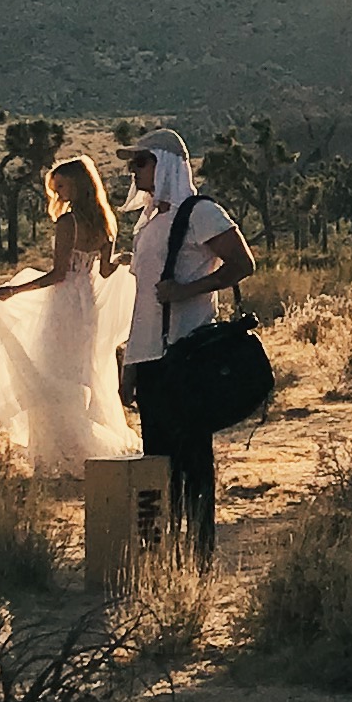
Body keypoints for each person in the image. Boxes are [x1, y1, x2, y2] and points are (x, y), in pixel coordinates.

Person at [119, 131, 255, 569]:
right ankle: (165, 558)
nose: (133, 170)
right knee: (159, 464)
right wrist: (130, 367)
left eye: (140, 161)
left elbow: (242, 264)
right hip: (152, 361)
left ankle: (199, 557)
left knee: (192, 463)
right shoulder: (151, 222)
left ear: (166, 164)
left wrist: (187, 290)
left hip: (186, 355)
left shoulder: (200, 213)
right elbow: (143, 302)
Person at [0, 154, 137, 465]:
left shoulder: (69, 223)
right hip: (88, 305)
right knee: (83, 371)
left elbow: (59, 274)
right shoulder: (106, 222)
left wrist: (15, 290)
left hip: (64, 304)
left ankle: (62, 449)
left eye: (62, 186)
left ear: (78, 185)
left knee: (53, 371)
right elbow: (105, 271)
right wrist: (123, 261)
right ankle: (84, 445)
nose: (58, 194)